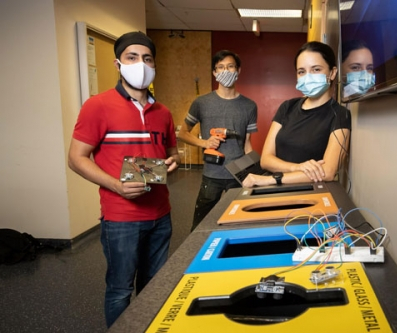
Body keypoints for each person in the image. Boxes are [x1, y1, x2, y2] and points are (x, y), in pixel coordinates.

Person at [68, 31, 180, 328]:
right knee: (120, 289)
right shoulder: (98, 106)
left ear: (154, 64)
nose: (140, 64)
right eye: (132, 57)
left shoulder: (163, 112)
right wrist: (116, 185)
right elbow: (76, 158)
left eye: (146, 58)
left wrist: (174, 161)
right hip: (121, 219)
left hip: (161, 214)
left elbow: (171, 151)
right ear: (118, 64)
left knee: (154, 287)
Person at [242, 41, 351, 187]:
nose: (308, 76)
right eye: (301, 71)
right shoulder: (288, 107)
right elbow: (266, 160)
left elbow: (328, 172)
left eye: (316, 69)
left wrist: (270, 179)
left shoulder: (340, 115)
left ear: (332, 73)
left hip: (309, 194)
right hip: (273, 191)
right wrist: (296, 167)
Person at [177, 50, 258, 231]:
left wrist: (254, 171)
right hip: (212, 174)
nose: (225, 71)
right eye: (220, 67)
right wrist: (205, 143)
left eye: (230, 67)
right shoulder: (201, 103)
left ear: (238, 71)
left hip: (238, 174)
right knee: (200, 226)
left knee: (239, 223)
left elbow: (247, 143)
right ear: (214, 73)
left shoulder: (249, 106)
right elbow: (182, 133)